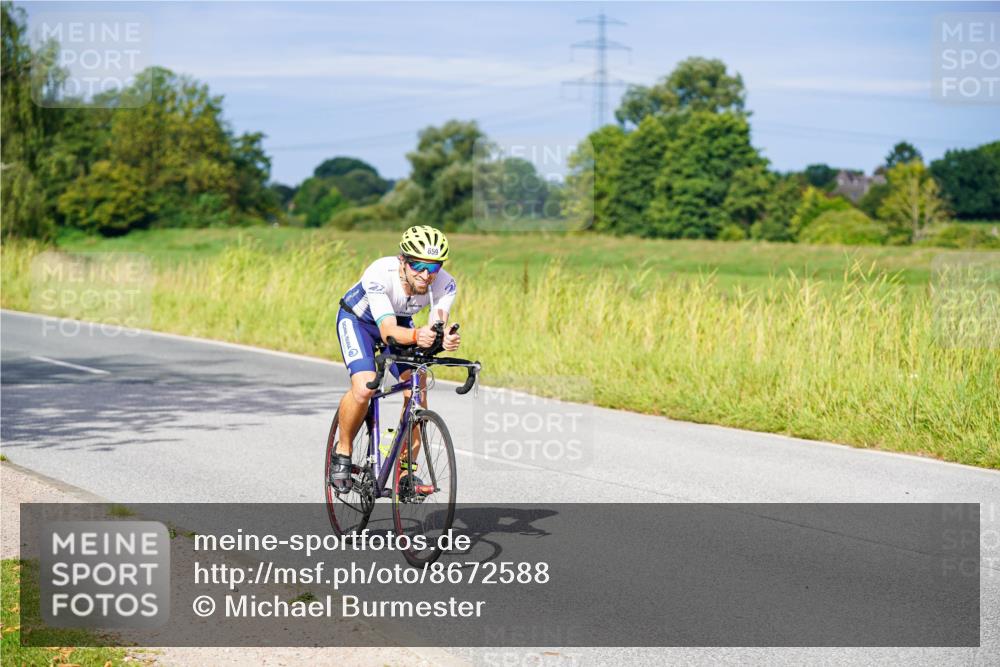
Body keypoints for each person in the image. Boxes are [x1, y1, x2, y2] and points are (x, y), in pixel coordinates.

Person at [332, 225, 460, 494]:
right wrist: (417, 334)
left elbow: (437, 324)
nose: (426, 275)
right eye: (418, 266)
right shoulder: (380, 272)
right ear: (403, 261)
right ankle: (342, 451)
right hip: (359, 322)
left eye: (433, 267)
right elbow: (388, 331)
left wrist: (443, 338)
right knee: (364, 387)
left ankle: (406, 473)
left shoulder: (445, 283)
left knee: (417, 390)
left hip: (401, 321)